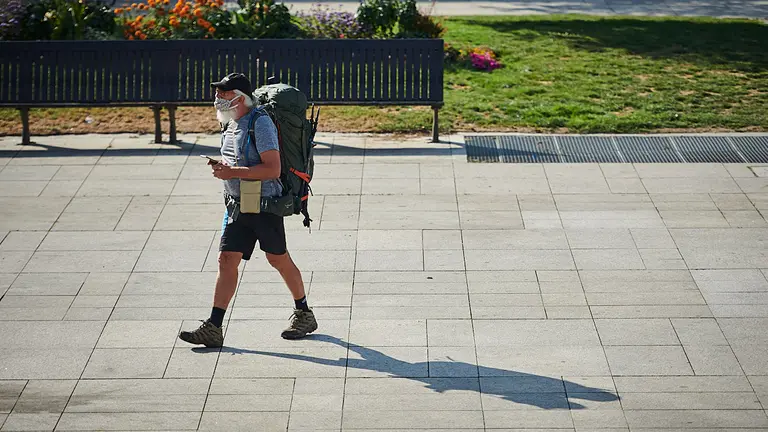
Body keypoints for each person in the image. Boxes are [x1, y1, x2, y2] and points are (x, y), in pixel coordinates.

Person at [178, 72, 317, 348]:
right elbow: (238, 160)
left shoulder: (260, 123)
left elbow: (273, 168)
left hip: (265, 205)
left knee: (277, 259)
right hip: (238, 204)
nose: (217, 99)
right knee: (226, 259)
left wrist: (233, 171)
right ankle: (213, 327)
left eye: (224, 95)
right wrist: (222, 167)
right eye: (217, 94)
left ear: (239, 98)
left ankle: (304, 313)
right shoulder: (231, 123)